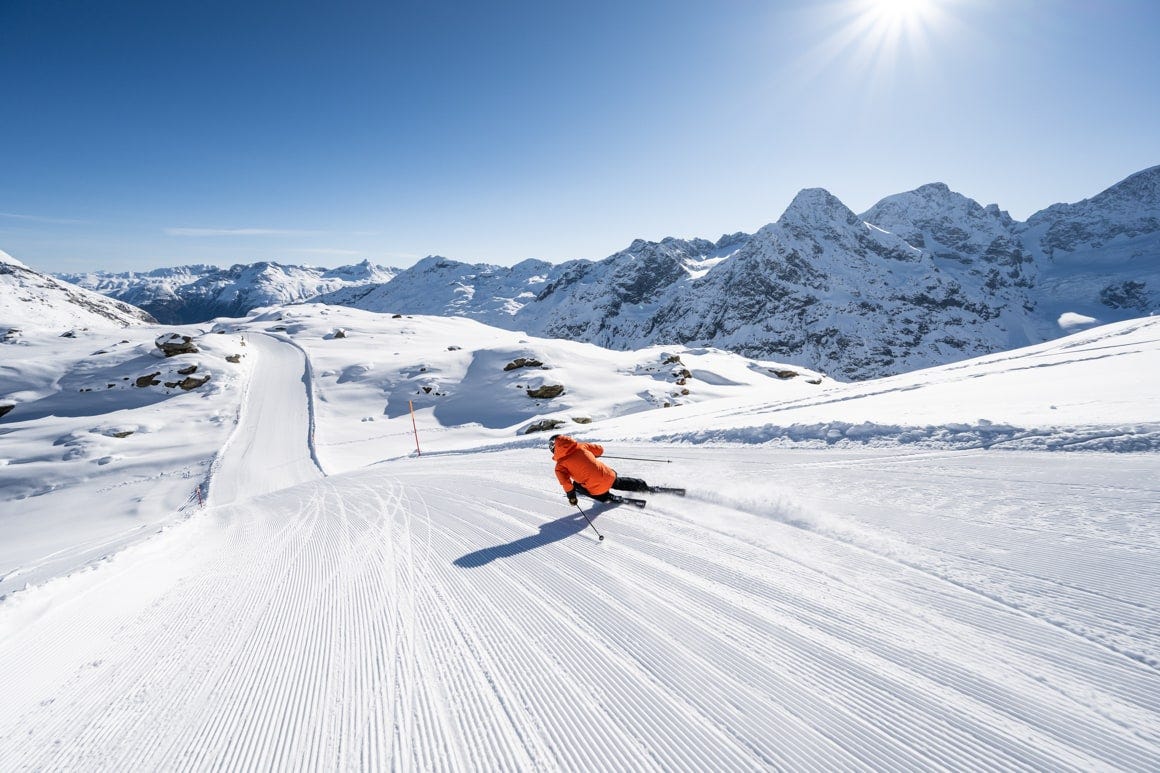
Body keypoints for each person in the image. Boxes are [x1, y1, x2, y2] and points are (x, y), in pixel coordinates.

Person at [550, 434, 651, 505]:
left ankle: (607, 497)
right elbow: (600, 450)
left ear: (554, 448)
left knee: (576, 486)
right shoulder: (581, 446)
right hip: (609, 475)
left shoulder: (560, 466)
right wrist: (591, 454)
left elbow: (567, 484)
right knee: (616, 481)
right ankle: (643, 486)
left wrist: (572, 497)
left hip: (596, 489)